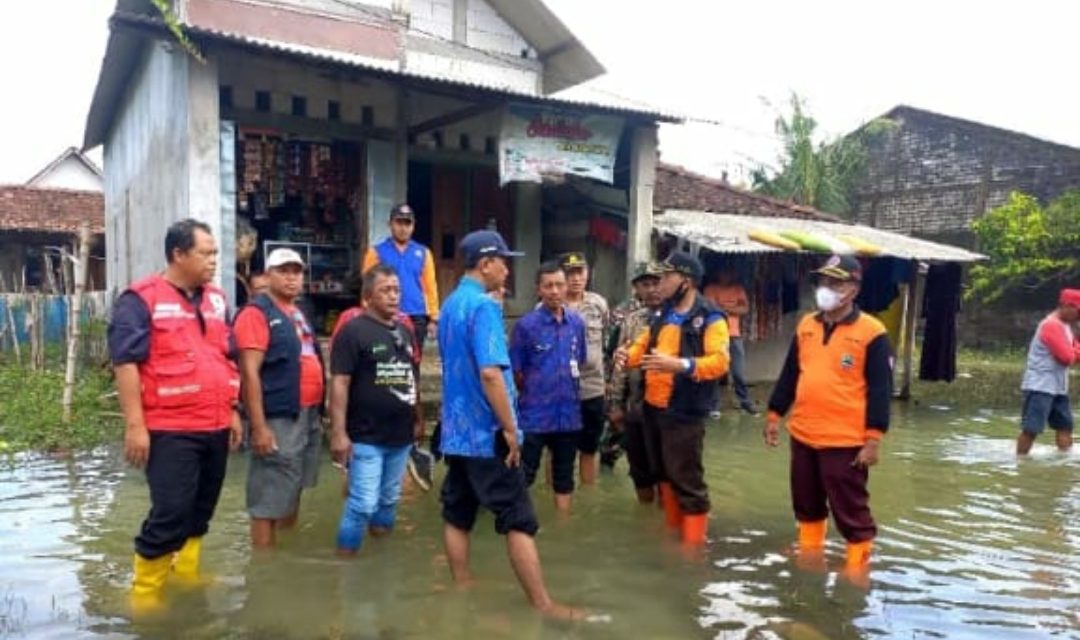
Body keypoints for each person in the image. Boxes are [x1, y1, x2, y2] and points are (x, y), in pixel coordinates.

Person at [437, 229, 581, 620]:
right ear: (485, 264)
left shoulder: (450, 305)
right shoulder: (483, 308)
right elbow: (490, 374)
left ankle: (462, 585)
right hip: (486, 434)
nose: (507, 268)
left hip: (455, 433)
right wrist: (510, 429)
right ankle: (544, 606)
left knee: (458, 512)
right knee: (519, 517)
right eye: (503, 261)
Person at [107, 218, 242, 612]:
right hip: (169, 428)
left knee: (202, 509)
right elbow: (126, 363)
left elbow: (225, 357)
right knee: (171, 511)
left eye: (215, 252)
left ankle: (185, 575)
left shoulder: (217, 299)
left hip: (215, 423)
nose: (214, 260)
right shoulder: (140, 299)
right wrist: (135, 426)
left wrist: (233, 411)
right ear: (178, 254)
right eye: (206, 253)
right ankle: (145, 593)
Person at [764, 255, 892, 580]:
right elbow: (791, 372)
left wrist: (874, 439)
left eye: (837, 282)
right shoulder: (807, 325)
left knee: (851, 509)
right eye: (824, 281)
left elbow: (880, 390)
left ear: (855, 288)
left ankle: (857, 568)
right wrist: (774, 413)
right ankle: (810, 553)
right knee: (805, 502)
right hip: (804, 433)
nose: (828, 289)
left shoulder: (873, 332)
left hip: (845, 440)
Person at [614, 252, 730, 545]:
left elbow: (719, 362)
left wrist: (682, 365)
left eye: (666, 277)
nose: (659, 284)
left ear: (686, 281)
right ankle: (671, 532)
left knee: (688, 481)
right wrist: (626, 356)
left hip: (685, 410)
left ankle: (692, 550)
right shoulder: (662, 314)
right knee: (663, 473)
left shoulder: (710, 316)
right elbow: (642, 347)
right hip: (654, 406)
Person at [233, 248, 325, 549]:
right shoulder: (256, 314)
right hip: (278, 415)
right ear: (267, 275)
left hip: (307, 411)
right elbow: (249, 373)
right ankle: (264, 564)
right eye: (283, 271)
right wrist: (258, 427)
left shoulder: (297, 312)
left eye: (296, 271)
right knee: (267, 492)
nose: (291, 277)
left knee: (294, 481)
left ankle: (284, 550)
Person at [329, 264, 422, 555]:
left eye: (396, 290)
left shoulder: (406, 332)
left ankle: (381, 554)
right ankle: (346, 562)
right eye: (386, 291)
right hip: (365, 436)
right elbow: (340, 383)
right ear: (367, 297)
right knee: (363, 503)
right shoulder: (352, 332)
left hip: (400, 436)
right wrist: (339, 432)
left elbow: (412, 377)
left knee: (389, 500)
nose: (393, 296)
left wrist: (418, 419)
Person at [510, 261, 588, 512]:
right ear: (538, 290)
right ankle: (515, 522)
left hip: (568, 415)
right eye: (549, 286)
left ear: (566, 288)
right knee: (523, 476)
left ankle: (563, 529)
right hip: (534, 415)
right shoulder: (526, 326)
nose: (555, 291)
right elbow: (515, 371)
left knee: (564, 478)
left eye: (559, 285)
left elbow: (580, 361)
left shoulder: (576, 323)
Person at [608, 262, 664, 504]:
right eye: (645, 285)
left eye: (656, 283)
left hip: (667, 407)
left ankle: (666, 516)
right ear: (636, 289)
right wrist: (616, 404)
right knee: (639, 469)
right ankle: (645, 517)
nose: (652, 290)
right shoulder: (631, 321)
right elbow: (621, 365)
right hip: (636, 405)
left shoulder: (680, 317)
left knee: (667, 469)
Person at [362, 203, 439, 353]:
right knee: (385, 360)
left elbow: (430, 286)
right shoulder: (376, 252)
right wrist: (366, 313)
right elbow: (367, 287)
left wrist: (434, 319)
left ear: (413, 226)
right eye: (399, 222)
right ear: (390, 224)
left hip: (416, 315)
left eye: (407, 223)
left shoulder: (423, 253)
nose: (403, 228)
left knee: (413, 360)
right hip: (384, 315)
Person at [561, 252, 609, 485]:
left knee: (590, 447)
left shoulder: (598, 304)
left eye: (579, 272)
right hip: (561, 390)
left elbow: (606, 341)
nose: (575, 278)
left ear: (587, 274)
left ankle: (589, 496)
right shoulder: (550, 304)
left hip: (593, 387)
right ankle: (556, 499)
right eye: (569, 273)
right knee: (559, 449)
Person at [1016, 288, 1080, 454]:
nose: (1079, 316)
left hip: (1058, 387)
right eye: (1078, 311)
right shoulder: (1051, 325)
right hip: (1040, 386)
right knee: (1031, 429)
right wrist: (1073, 351)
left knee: (1065, 426)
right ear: (1066, 306)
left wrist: (1073, 351)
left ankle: (1065, 463)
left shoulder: (1065, 326)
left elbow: (1074, 354)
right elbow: (1066, 358)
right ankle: (1020, 462)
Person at [703, 270, 757, 416]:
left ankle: (745, 402)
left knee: (738, 372)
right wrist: (733, 309)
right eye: (724, 273)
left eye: (729, 273)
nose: (726, 275)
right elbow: (708, 309)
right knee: (714, 371)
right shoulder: (710, 289)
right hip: (714, 334)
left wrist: (724, 308)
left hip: (734, 335)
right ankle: (713, 406)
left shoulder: (738, 288)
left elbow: (745, 309)